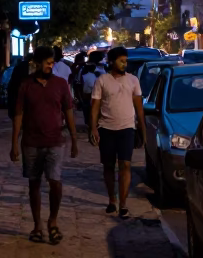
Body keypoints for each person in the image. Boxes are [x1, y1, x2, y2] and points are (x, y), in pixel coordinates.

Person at [10, 47, 79, 244]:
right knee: (34, 184)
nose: (51, 65)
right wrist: (14, 143)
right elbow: (18, 115)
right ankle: (37, 224)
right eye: (47, 62)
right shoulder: (26, 85)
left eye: (52, 62)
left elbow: (68, 111)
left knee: (55, 182)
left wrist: (74, 139)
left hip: (55, 141)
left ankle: (53, 221)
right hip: (31, 142)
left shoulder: (60, 84)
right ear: (37, 63)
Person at [89, 46, 146, 218]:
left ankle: (123, 204)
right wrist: (93, 128)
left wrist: (142, 130)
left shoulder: (133, 80)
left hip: (127, 128)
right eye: (121, 61)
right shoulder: (102, 81)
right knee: (108, 166)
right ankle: (111, 199)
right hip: (106, 128)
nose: (124, 64)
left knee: (125, 164)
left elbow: (139, 107)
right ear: (112, 62)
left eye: (126, 61)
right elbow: (95, 107)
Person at [80, 50, 107, 133]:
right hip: (89, 96)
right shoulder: (88, 69)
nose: (104, 59)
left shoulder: (103, 68)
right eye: (102, 57)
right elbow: (80, 84)